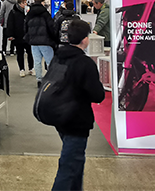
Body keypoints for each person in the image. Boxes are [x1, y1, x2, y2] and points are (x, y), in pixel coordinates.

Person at [49, 19, 105, 191]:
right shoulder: (84, 63)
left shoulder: (58, 57)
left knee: (75, 163)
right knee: (69, 166)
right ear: (85, 40)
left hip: (60, 116)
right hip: (77, 119)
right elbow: (98, 95)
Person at [24, 0, 56, 85]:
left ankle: (39, 79)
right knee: (49, 61)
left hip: (34, 42)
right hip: (45, 41)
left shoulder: (29, 14)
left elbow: (25, 26)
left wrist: (28, 37)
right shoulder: (45, 13)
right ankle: (51, 80)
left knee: (37, 61)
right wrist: (54, 39)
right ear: (42, 2)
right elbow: (51, 27)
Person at [6, 0, 33, 75]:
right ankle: (22, 69)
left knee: (30, 53)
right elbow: (10, 24)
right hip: (18, 36)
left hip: (28, 36)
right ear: (20, 3)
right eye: (24, 2)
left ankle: (31, 68)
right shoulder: (13, 12)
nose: (26, 4)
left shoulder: (28, 11)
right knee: (20, 53)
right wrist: (10, 35)